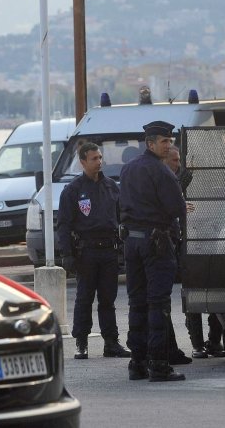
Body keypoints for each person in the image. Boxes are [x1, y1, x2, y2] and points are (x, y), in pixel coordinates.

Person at [118, 120, 188, 382]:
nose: (168, 145)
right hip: (156, 242)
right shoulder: (161, 171)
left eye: (169, 141)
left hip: (132, 241)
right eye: (163, 141)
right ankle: (158, 364)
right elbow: (176, 208)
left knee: (137, 302)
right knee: (158, 303)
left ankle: (137, 362)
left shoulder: (128, 168)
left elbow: (120, 203)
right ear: (150, 144)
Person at [57, 142, 130, 360]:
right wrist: (67, 254)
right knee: (84, 298)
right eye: (94, 159)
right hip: (86, 252)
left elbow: (122, 216)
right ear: (83, 162)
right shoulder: (73, 190)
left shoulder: (111, 186)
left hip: (109, 250)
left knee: (108, 299)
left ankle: (111, 342)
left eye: (100, 158)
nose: (99, 162)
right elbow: (63, 225)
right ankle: (81, 342)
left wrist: (123, 246)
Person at [164, 144, 223, 359]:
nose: (179, 165)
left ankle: (213, 341)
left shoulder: (201, 181)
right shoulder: (167, 180)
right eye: (175, 160)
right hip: (185, 244)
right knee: (193, 294)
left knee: (215, 294)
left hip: (207, 238)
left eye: (180, 161)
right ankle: (198, 344)